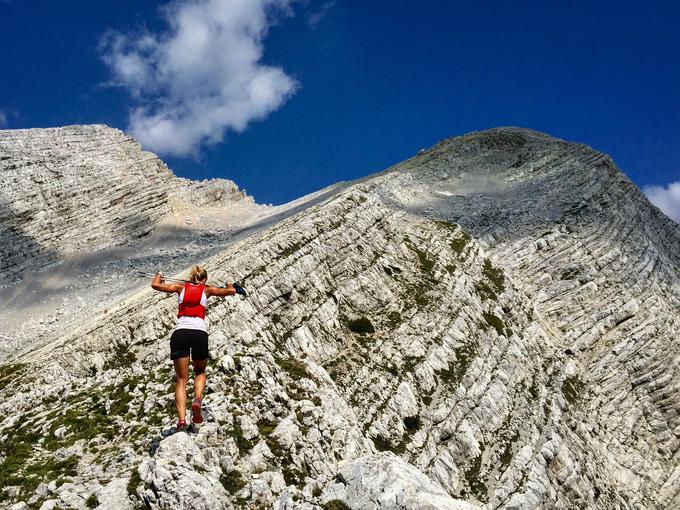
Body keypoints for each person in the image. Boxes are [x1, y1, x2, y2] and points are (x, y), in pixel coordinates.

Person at [151, 266, 246, 432]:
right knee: (200, 371)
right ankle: (197, 400)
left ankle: (181, 423)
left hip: (180, 332)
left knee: (181, 380)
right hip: (199, 332)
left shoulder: (180, 287)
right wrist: (232, 285)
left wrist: (160, 274)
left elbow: (155, 285)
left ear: (191, 277)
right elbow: (231, 291)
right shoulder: (208, 290)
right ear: (204, 279)